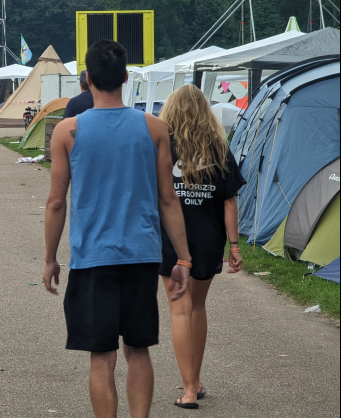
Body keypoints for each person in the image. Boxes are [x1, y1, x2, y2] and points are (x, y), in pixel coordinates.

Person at [42, 40, 192, 418]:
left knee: (101, 356)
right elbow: (169, 199)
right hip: (141, 255)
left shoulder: (67, 132)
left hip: (93, 258)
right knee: (138, 349)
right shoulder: (154, 128)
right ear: (126, 77)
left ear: (87, 79)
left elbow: (57, 201)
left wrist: (49, 259)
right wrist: (184, 258)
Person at [157, 85, 245, 409]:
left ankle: (189, 389)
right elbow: (229, 201)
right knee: (197, 308)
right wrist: (234, 247)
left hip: (170, 237)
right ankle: (195, 379)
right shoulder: (218, 148)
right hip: (209, 239)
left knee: (179, 310)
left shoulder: (163, 146)